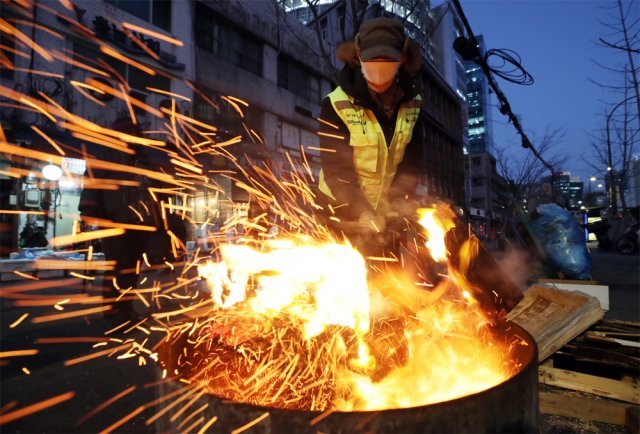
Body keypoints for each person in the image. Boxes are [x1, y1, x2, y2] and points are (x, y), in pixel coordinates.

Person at [316, 17, 423, 253]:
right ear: (358, 60)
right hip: (338, 210)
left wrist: (396, 203)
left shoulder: (413, 105)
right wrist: (361, 210)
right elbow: (336, 170)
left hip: (384, 215)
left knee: (389, 284)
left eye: (386, 66)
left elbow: (412, 165)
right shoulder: (335, 104)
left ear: (401, 61)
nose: (378, 77)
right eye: (372, 66)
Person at [78, 117, 159, 322]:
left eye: (136, 135)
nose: (134, 138)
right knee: (118, 267)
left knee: (132, 269)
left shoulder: (143, 159)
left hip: (141, 223)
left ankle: (127, 307)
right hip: (115, 221)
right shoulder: (106, 157)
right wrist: (89, 210)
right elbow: (93, 186)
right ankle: (114, 312)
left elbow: (152, 189)